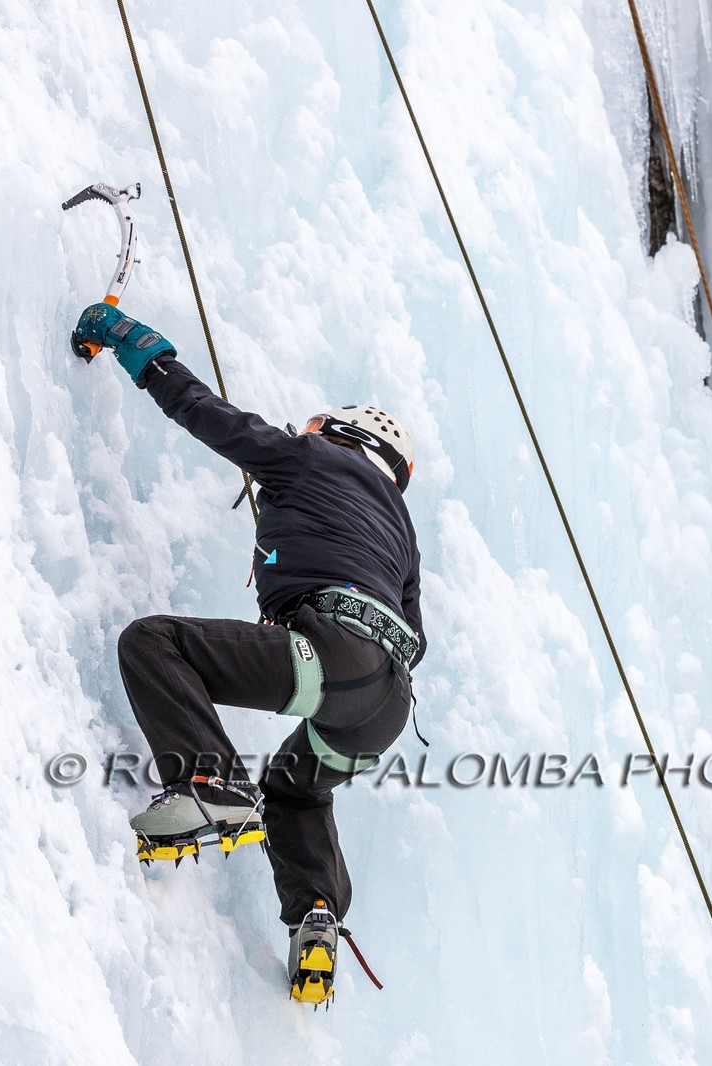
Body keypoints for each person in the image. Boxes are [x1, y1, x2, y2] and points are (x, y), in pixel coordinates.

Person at [71, 302, 426, 1003]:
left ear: (342, 435)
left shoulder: (309, 458)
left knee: (154, 642)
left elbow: (209, 416)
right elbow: (417, 628)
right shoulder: (403, 531)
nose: (307, 431)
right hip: (385, 706)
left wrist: (138, 346)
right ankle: (316, 914)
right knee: (297, 789)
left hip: (329, 651)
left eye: (319, 426)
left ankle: (209, 782)